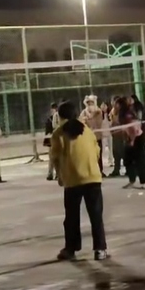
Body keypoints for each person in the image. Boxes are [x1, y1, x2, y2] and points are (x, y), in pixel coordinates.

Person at [50, 101, 108, 261]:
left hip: (73, 179)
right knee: (96, 215)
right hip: (93, 177)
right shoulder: (87, 130)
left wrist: (60, 176)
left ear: (60, 116)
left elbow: (55, 157)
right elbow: (97, 151)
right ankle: (100, 249)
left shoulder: (58, 133)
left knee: (71, 217)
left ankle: (71, 249)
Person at [119, 97, 145, 189]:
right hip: (129, 139)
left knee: (140, 160)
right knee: (127, 160)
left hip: (137, 138)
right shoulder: (124, 114)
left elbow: (133, 129)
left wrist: (132, 141)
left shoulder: (128, 114)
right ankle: (132, 179)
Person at [80, 95, 106, 177]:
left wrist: (90, 118)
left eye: (91, 103)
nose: (90, 105)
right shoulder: (84, 112)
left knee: (98, 154)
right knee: (89, 155)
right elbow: (81, 122)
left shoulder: (98, 112)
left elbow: (99, 123)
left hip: (97, 137)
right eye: (88, 103)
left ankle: (100, 171)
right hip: (87, 138)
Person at [108, 96, 125, 177]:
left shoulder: (123, 112)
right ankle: (116, 169)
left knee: (123, 152)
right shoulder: (112, 111)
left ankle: (129, 169)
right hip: (114, 135)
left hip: (121, 135)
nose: (114, 104)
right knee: (115, 153)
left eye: (116, 103)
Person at [44, 103, 59, 181]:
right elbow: (47, 131)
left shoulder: (58, 118)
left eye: (54, 109)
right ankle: (50, 174)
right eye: (52, 109)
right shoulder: (49, 119)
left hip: (57, 140)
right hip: (51, 140)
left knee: (57, 158)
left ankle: (57, 174)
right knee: (51, 158)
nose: (53, 110)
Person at [100, 101, 114, 168]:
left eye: (104, 105)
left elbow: (111, 123)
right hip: (103, 135)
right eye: (102, 105)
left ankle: (111, 161)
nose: (103, 107)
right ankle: (102, 162)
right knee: (102, 150)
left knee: (111, 149)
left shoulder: (110, 114)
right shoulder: (100, 115)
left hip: (110, 134)